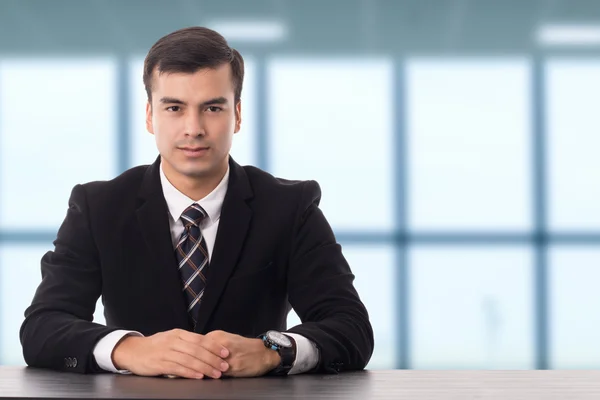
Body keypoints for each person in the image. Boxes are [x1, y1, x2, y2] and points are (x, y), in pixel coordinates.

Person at [20, 26, 374, 379]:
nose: (193, 128)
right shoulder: (98, 207)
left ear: (236, 115)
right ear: (149, 116)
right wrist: (130, 349)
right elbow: (43, 326)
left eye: (212, 108)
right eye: (174, 107)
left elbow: (351, 328)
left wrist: (271, 350)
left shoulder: (291, 207)